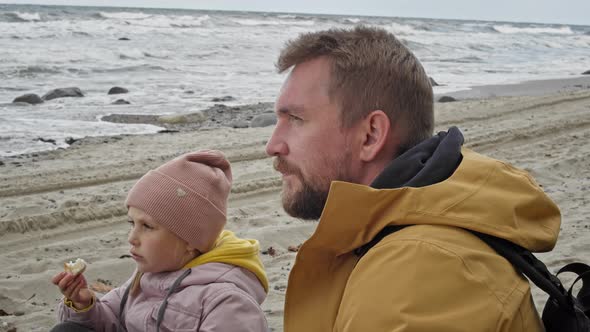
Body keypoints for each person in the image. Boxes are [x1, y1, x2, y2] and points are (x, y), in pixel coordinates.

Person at [266, 26, 560, 331]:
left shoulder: (419, 276)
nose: (273, 145)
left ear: (371, 135)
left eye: (296, 119)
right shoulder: (389, 236)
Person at [50, 150, 269, 332]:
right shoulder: (146, 275)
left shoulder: (226, 302)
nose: (132, 238)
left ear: (190, 240)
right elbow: (111, 321)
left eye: (147, 226)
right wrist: (83, 304)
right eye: (132, 224)